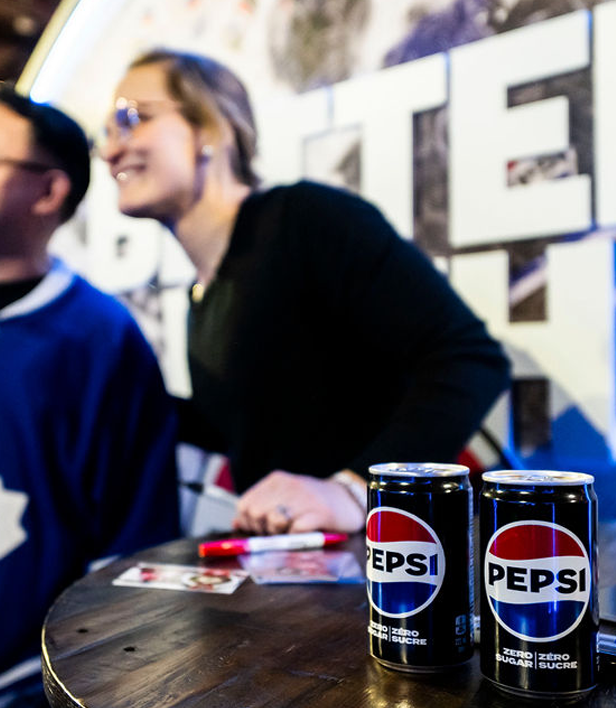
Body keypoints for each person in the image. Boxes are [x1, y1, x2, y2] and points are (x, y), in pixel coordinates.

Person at [98, 48, 510, 538]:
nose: (111, 150)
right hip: (300, 577)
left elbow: (470, 357)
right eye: (105, 133)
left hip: (398, 564)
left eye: (132, 119)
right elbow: (254, 431)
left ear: (211, 127)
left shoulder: (306, 220)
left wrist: (355, 491)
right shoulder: (203, 293)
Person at [0, 85, 180, 708]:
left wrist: (84, 688)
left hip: (27, 687)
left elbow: (135, 538)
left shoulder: (99, 337)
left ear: (47, 192)